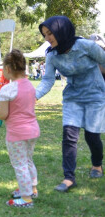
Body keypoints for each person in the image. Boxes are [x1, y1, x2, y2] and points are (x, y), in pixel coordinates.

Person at [37, 16, 105, 192]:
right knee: (69, 135)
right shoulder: (52, 56)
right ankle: (69, 178)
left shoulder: (86, 46)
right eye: (45, 35)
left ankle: (97, 165)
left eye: (50, 33)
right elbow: (47, 80)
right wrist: (32, 96)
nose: (47, 38)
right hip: (72, 97)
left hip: (95, 95)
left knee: (92, 136)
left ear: (62, 30)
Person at [0, 49, 40, 208]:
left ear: (7, 69)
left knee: (20, 164)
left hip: (17, 134)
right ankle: (32, 189)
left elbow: (2, 114)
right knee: (28, 160)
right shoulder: (30, 85)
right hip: (33, 130)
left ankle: (26, 198)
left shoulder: (7, 89)